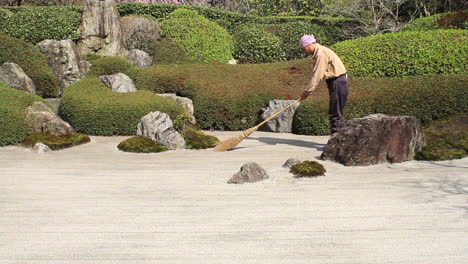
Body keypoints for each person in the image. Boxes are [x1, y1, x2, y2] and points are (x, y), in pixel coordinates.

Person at [299, 35, 349, 134]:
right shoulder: (320, 52)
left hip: (337, 82)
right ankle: (338, 141)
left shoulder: (321, 54)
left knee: (336, 113)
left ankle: (336, 143)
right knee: (335, 112)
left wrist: (307, 92)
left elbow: (317, 75)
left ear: (309, 45)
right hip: (336, 82)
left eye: (304, 48)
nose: (304, 51)